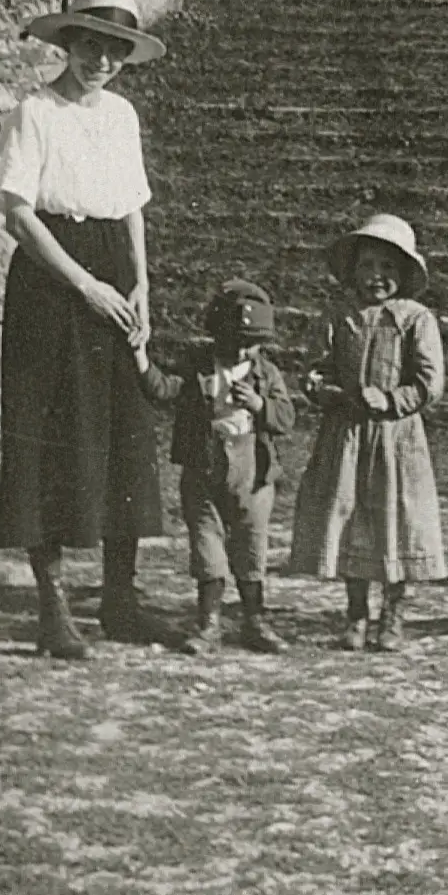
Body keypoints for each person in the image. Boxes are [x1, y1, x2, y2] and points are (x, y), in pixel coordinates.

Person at [0, 0, 176, 659]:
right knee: (48, 431)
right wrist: (86, 284)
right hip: (52, 280)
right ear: (66, 43)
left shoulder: (122, 115)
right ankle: (53, 608)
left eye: (115, 49)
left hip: (114, 272)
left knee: (123, 429)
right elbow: (18, 213)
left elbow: (132, 204)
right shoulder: (35, 111)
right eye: (90, 44)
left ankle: (121, 602)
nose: (101, 59)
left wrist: (141, 284)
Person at [288, 214, 446, 651]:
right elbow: (315, 369)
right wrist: (323, 390)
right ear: (353, 270)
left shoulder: (416, 319)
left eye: (389, 267)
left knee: (399, 521)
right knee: (352, 519)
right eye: (368, 266)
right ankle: (356, 612)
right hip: (347, 436)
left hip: (397, 440)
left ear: (405, 273)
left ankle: (393, 616)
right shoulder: (338, 315)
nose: (377, 277)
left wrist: (393, 399)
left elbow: (431, 383)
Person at [132, 278, 296, 655]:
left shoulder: (265, 373)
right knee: (208, 548)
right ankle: (208, 624)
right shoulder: (198, 367)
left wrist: (258, 404)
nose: (241, 350)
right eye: (233, 340)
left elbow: (286, 418)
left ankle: (255, 621)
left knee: (251, 547)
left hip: (252, 473)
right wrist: (141, 357)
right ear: (216, 334)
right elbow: (163, 388)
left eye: (250, 343)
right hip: (203, 469)